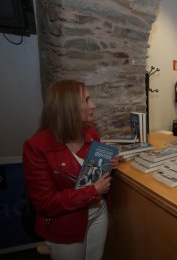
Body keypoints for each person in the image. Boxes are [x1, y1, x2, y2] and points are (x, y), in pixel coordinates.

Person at [22, 80, 119, 260]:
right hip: (65, 224)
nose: (93, 105)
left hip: (98, 213)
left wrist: (108, 163)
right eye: (87, 100)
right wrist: (92, 192)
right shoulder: (36, 147)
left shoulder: (92, 135)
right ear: (68, 107)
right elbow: (45, 202)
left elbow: (93, 172)